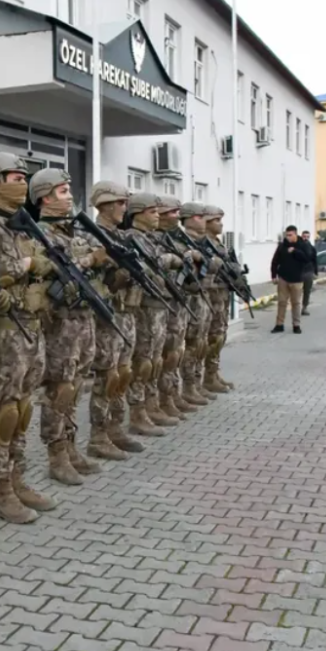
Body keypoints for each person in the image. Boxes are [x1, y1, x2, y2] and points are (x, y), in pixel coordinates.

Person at [0, 152, 57, 522]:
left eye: (24, 176)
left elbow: (48, 262)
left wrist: (34, 264)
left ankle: (17, 478)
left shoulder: (24, 227)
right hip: (4, 331)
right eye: (15, 176)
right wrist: (27, 266)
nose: (22, 182)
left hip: (31, 327)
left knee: (22, 409)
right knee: (3, 411)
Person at [30, 169, 110, 485]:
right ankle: (56, 455)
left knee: (74, 387)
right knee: (59, 390)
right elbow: (49, 271)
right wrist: (90, 261)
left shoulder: (73, 232)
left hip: (82, 319)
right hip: (59, 323)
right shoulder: (38, 233)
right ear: (45, 197)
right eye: (63, 191)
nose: (70, 196)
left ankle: (72, 447)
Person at [86, 181, 147, 459]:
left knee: (123, 373)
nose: (126, 208)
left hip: (127, 313)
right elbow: (93, 280)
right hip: (108, 316)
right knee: (107, 376)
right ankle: (98, 437)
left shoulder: (119, 236)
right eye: (122, 203)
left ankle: (115, 428)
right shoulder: (90, 235)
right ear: (107, 204)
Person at [122, 191, 182, 434]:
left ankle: (152, 404)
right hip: (145, 307)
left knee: (155, 360)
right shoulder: (132, 238)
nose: (158, 216)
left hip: (159, 305)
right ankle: (138, 413)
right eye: (153, 212)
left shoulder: (152, 238)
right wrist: (166, 261)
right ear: (138, 213)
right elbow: (145, 268)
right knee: (143, 361)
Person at [155, 195, 203, 421]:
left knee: (175, 351)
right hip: (158, 303)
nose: (177, 216)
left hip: (176, 299)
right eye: (174, 212)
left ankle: (171, 396)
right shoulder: (151, 239)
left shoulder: (171, 239)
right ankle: (156, 404)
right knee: (155, 359)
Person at [179, 202, 221, 405]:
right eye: (198, 217)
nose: (203, 221)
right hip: (191, 298)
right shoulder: (182, 241)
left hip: (203, 296)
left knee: (201, 344)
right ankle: (187, 388)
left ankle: (195, 384)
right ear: (186, 218)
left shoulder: (201, 242)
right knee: (191, 345)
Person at [202, 205, 237, 392]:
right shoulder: (203, 244)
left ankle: (213, 372)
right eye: (217, 220)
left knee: (220, 335)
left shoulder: (218, 243)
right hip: (212, 295)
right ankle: (207, 377)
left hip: (222, 294)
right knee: (212, 337)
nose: (221, 224)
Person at [270, 225, 310, 335]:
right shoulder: (282, 246)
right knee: (282, 302)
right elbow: (275, 261)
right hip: (283, 278)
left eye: (290, 235)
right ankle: (279, 324)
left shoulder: (302, 245)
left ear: (295, 234)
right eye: (287, 235)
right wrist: (274, 275)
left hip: (297, 279)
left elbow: (307, 259)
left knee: (296, 303)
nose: (288, 237)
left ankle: (296, 325)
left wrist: (295, 251)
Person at [300, 230, 318, 315]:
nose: (306, 238)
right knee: (296, 290)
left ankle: (304, 307)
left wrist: (316, 272)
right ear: (301, 236)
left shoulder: (312, 248)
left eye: (307, 237)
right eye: (304, 237)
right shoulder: (298, 247)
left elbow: (315, 261)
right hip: (298, 272)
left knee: (307, 291)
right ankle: (295, 307)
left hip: (309, 271)